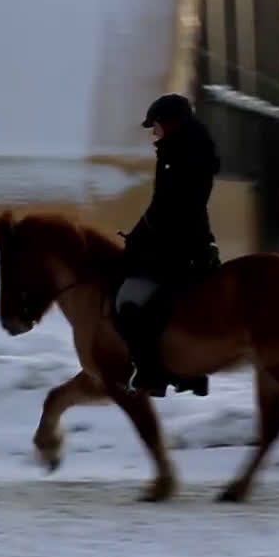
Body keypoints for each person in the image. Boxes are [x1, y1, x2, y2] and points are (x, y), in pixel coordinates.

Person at [115, 93, 222, 397]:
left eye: (157, 126)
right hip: (184, 241)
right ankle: (188, 372)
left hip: (181, 247)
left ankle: (152, 373)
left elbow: (170, 208)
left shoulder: (182, 156)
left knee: (131, 302)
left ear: (172, 124)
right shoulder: (184, 151)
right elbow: (162, 207)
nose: (154, 133)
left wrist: (143, 236)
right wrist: (140, 233)